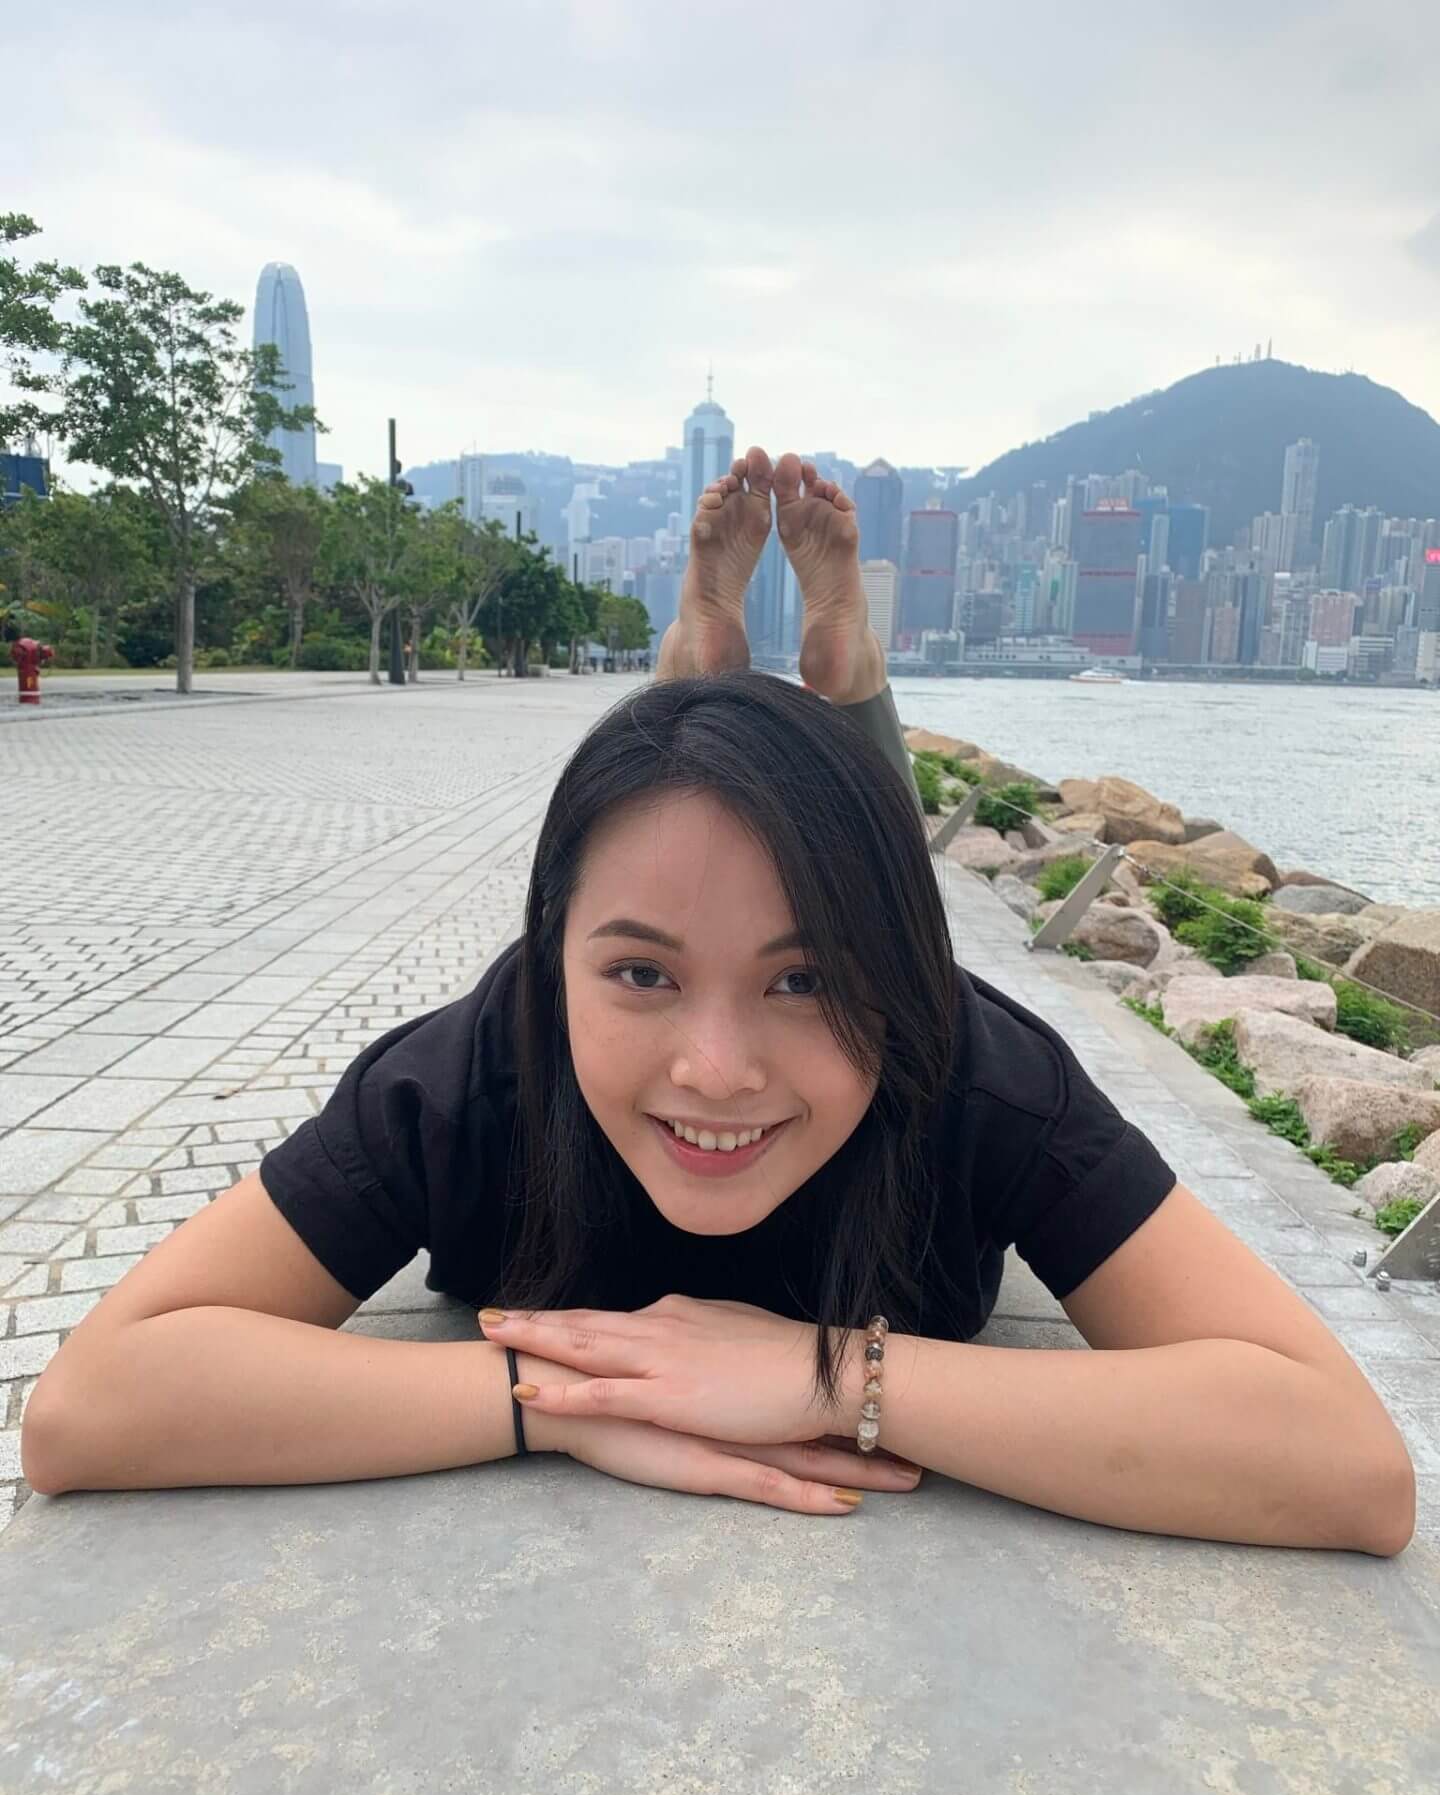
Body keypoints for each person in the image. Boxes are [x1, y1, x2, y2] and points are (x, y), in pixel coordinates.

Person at [22, 449, 1414, 1555]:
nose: (716, 1069)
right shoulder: (477, 1071)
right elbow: (90, 1408)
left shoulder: (971, 1067)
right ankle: (721, 700)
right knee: (732, 834)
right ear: (552, 957)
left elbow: (1346, 1463)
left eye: (806, 981)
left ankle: (791, 692)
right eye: (639, 973)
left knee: (785, 852)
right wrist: (556, 1406)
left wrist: (830, 1378)